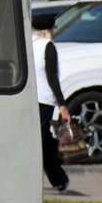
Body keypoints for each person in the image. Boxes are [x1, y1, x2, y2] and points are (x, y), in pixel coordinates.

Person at [34, 19, 72, 192]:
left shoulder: (29, 44)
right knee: (40, 142)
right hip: (44, 100)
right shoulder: (48, 46)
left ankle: (59, 179)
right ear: (49, 29)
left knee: (47, 142)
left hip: (30, 98)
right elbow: (52, 77)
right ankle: (52, 179)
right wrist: (62, 105)